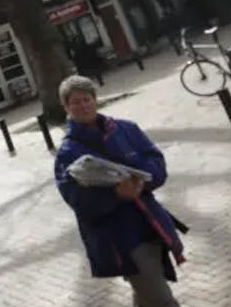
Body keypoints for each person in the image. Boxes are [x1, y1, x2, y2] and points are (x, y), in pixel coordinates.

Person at [54, 76, 185, 306]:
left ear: (95, 101)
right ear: (66, 107)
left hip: (152, 222)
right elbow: (76, 200)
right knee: (161, 299)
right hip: (121, 237)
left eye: (87, 99)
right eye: (75, 102)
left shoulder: (126, 129)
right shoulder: (67, 153)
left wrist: (140, 182)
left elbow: (156, 162)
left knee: (146, 295)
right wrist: (115, 195)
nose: (83, 106)